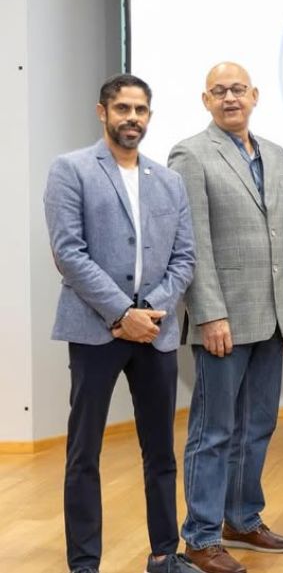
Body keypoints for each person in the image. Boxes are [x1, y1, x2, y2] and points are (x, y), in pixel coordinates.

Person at [43, 73, 196, 573]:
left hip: (156, 330)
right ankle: (84, 563)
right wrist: (121, 313)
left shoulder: (168, 180)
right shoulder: (71, 170)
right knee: (84, 452)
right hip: (96, 330)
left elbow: (185, 257)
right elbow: (69, 253)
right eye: (123, 109)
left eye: (141, 110)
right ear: (102, 112)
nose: (133, 118)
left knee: (161, 453)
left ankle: (163, 555)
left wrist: (150, 309)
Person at [168, 62, 283, 573]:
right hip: (222, 320)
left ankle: (242, 518)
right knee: (214, 430)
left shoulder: (276, 154)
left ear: (255, 96)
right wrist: (208, 314)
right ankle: (201, 537)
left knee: (258, 425)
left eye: (238, 90)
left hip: (270, 316)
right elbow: (193, 242)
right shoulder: (190, 154)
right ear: (206, 100)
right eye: (219, 91)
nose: (230, 98)